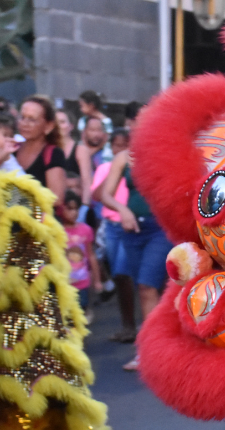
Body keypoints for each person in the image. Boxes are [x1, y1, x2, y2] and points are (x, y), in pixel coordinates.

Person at [99, 149, 173, 370]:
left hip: (160, 227)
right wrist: (122, 210)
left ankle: (150, 353)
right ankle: (160, 348)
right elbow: (105, 193)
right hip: (132, 229)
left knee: (147, 287)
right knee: (148, 291)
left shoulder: (166, 150)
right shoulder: (125, 156)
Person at [91, 129, 137, 344]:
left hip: (129, 225)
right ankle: (127, 325)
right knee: (119, 277)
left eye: (124, 145)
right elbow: (97, 195)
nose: (120, 149)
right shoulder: (104, 168)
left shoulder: (135, 168)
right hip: (111, 226)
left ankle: (135, 326)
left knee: (123, 272)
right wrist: (113, 175)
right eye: (116, 146)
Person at [14, 96, 67, 204]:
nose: (25, 123)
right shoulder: (11, 149)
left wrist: (25, 205)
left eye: (32, 119)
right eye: (22, 117)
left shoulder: (53, 154)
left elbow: (56, 198)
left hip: (37, 218)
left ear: (48, 126)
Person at [61, 190, 102, 312]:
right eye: (69, 209)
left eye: (76, 209)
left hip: (82, 281)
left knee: (81, 308)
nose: (74, 213)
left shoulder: (85, 230)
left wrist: (97, 280)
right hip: (64, 282)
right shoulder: (56, 231)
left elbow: (91, 255)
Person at [75, 116, 109, 204]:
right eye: (92, 130)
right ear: (84, 132)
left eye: (99, 130)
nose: (96, 134)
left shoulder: (108, 155)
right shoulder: (75, 153)